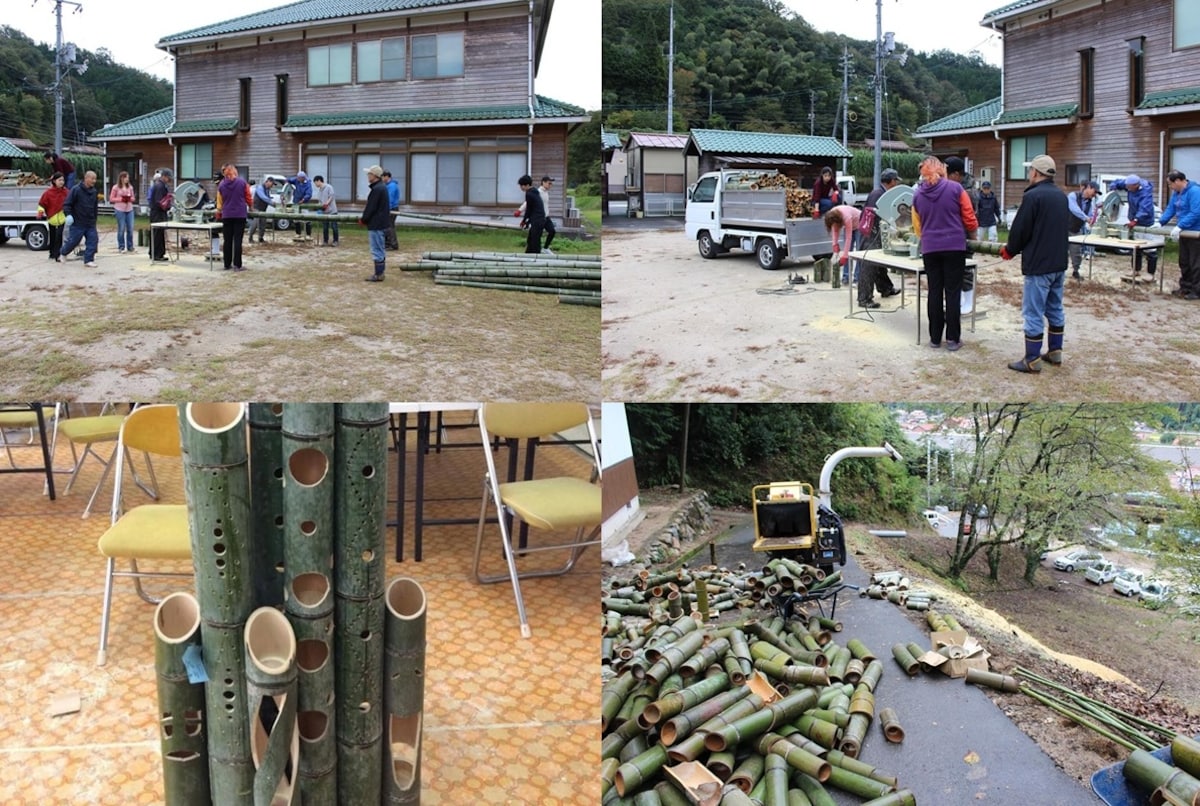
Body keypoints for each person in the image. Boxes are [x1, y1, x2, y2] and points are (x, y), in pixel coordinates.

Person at [1000, 154, 1069, 372]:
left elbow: (1021, 229)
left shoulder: (1033, 197)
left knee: (1033, 312)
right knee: (1055, 308)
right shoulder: (1061, 196)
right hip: (1058, 263)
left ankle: (1031, 359)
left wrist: (1010, 249)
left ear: (1036, 173)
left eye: (1030, 171)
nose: (1029, 174)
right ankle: (1055, 352)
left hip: (1039, 265)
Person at [912, 155, 978, 351]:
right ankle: (952, 339)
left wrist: (928, 236)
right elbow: (969, 217)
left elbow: (917, 228)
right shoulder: (956, 189)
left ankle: (934, 338)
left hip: (930, 249)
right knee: (952, 292)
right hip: (954, 247)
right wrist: (973, 236)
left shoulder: (917, 195)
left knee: (934, 292)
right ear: (942, 170)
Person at [857, 168, 902, 307]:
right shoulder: (878, 194)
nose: (896, 184)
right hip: (872, 233)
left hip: (875, 232)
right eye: (896, 181)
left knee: (879, 263)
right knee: (868, 266)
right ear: (892, 181)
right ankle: (864, 299)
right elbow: (875, 215)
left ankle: (886, 288)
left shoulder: (881, 193)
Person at [1158, 169, 1200, 300]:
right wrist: (1161, 222)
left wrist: (1180, 226)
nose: (1170, 187)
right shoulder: (1176, 194)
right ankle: (1185, 287)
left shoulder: (1194, 191)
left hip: (1195, 232)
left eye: (1170, 184)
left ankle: (1197, 290)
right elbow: (1171, 209)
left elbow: (1196, 212)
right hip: (1184, 233)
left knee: (1196, 263)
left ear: (1178, 181)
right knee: (1184, 261)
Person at [1107, 174, 1158, 278]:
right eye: (1127, 187)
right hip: (1134, 219)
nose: (1127, 189)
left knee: (1150, 249)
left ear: (1136, 185)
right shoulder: (1128, 183)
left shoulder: (1145, 193)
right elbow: (1118, 182)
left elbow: (1145, 209)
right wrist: (1113, 187)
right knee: (1136, 248)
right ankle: (1136, 270)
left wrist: (1136, 220)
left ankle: (1150, 273)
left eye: (1129, 188)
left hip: (1146, 222)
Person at [59, 170, 100, 268]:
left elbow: (95, 207)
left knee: (93, 240)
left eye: (95, 179)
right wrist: (68, 215)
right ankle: (63, 253)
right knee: (73, 241)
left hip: (90, 223)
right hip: (77, 222)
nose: (94, 181)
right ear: (86, 178)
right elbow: (67, 204)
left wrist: (95, 219)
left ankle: (88, 260)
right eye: (92, 178)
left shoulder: (94, 192)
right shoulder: (76, 190)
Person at [823, 203, 864, 300]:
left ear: (839, 221)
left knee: (857, 252)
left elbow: (849, 238)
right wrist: (835, 245)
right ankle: (846, 277)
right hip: (849, 225)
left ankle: (857, 279)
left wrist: (844, 256)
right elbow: (835, 231)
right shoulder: (832, 215)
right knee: (847, 251)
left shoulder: (846, 217)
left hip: (859, 224)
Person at [216, 164, 252, 271]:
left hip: (226, 215)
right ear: (235, 172)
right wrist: (251, 206)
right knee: (237, 240)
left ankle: (227, 264)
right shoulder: (242, 183)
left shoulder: (221, 185)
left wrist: (219, 211)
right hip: (240, 214)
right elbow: (248, 196)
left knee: (227, 240)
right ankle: (237, 265)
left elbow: (219, 201)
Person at [360, 164, 391, 281]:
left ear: (375, 175)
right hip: (381, 222)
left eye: (369, 174)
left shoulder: (377, 189)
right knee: (380, 248)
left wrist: (364, 219)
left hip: (376, 223)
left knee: (377, 248)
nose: (368, 176)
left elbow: (371, 207)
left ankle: (379, 274)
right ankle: (380, 272)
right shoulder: (381, 187)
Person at [1067, 180, 1100, 279]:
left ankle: (1075, 271)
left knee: (1076, 252)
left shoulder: (1090, 203)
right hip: (1063, 227)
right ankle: (1058, 272)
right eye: (1094, 191)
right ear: (1088, 187)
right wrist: (1086, 218)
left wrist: (1093, 219)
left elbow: (1090, 215)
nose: (1095, 195)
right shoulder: (1072, 196)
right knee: (1060, 252)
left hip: (1076, 229)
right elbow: (1074, 209)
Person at [37, 172, 69, 263]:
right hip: (52, 218)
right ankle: (52, 254)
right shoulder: (48, 193)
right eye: (59, 180)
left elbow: (71, 202)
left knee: (59, 236)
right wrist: (40, 212)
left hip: (63, 218)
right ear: (54, 181)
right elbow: (42, 204)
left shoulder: (66, 192)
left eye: (63, 180)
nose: (62, 182)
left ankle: (58, 255)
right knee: (53, 237)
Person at [148, 168, 173, 262]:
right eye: (168, 178)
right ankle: (156, 254)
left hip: (159, 212)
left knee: (159, 233)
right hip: (157, 213)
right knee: (157, 233)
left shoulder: (161, 185)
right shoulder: (159, 186)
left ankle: (158, 253)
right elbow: (159, 201)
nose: (169, 180)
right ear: (164, 176)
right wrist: (167, 205)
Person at [108, 171, 136, 254]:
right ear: (122, 178)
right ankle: (121, 246)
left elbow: (133, 198)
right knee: (121, 228)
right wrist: (121, 199)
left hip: (129, 209)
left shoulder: (130, 187)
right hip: (120, 209)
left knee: (130, 228)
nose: (127, 179)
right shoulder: (115, 187)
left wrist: (129, 199)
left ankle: (130, 246)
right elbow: (111, 199)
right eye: (126, 177)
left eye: (128, 178)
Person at [518, 174, 546, 254]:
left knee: (535, 241)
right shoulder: (534, 191)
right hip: (539, 219)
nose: (521, 188)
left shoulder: (529, 194)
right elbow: (532, 209)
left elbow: (529, 209)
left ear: (527, 185)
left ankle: (536, 258)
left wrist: (524, 221)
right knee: (531, 239)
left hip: (537, 220)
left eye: (521, 186)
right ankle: (527, 255)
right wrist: (528, 222)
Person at [313, 175, 339, 246]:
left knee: (334, 227)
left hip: (332, 211)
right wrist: (319, 209)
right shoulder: (319, 191)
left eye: (315, 182)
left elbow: (332, 196)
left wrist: (327, 203)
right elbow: (320, 201)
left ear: (319, 181)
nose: (315, 184)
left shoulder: (329, 187)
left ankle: (336, 241)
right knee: (325, 227)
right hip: (324, 212)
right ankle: (325, 241)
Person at [287, 170, 314, 239]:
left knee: (307, 218)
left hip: (304, 202)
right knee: (296, 218)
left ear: (303, 178)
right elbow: (289, 180)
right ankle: (298, 233)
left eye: (299, 178)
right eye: (297, 178)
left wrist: (303, 200)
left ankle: (308, 234)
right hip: (296, 201)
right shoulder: (296, 180)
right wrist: (287, 181)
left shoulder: (308, 183)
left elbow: (309, 194)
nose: (298, 179)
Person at [248, 177, 274, 243]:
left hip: (263, 209)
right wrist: (271, 203)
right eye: (272, 184)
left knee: (263, 224)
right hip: (256, 208)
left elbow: (267, 198)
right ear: (268, 181)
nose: (272, 185)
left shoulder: (268, 190)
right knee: (255, 223)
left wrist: (273, 203)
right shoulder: (260, 188)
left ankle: (260, 238)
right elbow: (263, 197)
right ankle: (250, 237)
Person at [382, 169, 400, 249]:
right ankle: (389, 243)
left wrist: (387, 209)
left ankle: (392, 244)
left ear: (387, 176)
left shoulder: (391, 186)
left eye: (383, 177)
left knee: (389, 226)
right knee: (388, 226)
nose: (382, 179)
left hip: (392, 208)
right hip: (390, 207)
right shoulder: (388, 185)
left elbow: (390, 199)